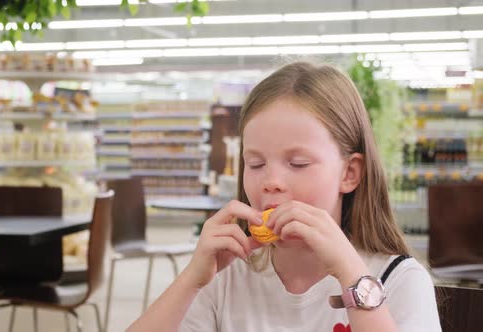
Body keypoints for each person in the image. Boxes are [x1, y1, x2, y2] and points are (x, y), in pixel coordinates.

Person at [127, 61, 441, 332]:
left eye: (298, 164)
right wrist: (190, 281)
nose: (272, 182)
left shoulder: (400, 280)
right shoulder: (226, 276)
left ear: (350, 173)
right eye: (256, 163)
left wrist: (352, 274)